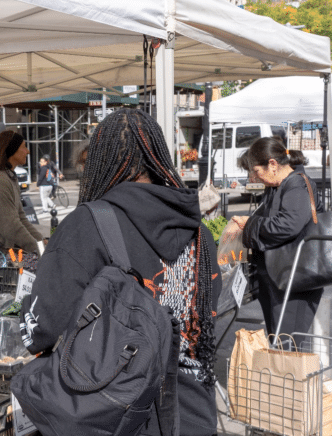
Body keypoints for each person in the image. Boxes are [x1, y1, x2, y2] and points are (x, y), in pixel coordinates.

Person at [21, 108, 221, 435]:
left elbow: (42, 328)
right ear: (158, 157)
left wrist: (23, 315)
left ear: (100, 161)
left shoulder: (87, 226)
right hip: (193, 413)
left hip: (120, 417)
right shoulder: (200, 232)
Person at [232, 137, 324, 341]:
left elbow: (287, 225)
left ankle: (289, 373)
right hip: (279, 275)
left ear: (272, 164)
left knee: (287, 343)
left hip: (296, 277)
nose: (255, 178)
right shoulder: (277, 186)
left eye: (256, 171)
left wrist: (250, 225)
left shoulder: (297, 184)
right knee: (278, 340)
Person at [0, 130, 45, 253]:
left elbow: (21, 218)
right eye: (23, 147)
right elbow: (10, 226)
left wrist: (41, 241)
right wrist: (38, 250)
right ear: (12, 150)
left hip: (0, 255)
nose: (28, 151)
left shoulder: (9, 177)